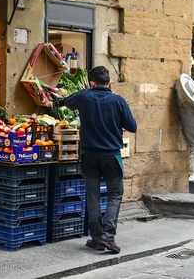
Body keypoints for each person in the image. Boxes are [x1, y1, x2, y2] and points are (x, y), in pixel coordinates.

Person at [54, 66, 137, 254]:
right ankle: (109, 236)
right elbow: (132, 126)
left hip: (89, 156)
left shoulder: (84, 96)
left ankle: (97, 238)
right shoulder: (118, 100)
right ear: (110, 83)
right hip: (111, 156)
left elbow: (65, 102)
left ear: (92, 83)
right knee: (114, 195)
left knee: (93, 195)